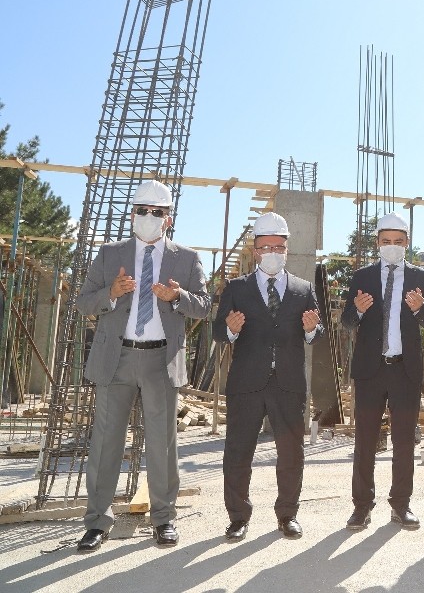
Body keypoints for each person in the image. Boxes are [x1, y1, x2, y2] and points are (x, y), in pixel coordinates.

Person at [75, 180, 211, 552]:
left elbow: (204, 306)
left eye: (157, 212)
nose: (149, 217)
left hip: (160, 359)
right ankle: (97, 522)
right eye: (142, 210)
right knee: (105, 442)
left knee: (162, 444)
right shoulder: (109, 255)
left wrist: (178, 296)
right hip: (116, 358)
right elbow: (83, 302)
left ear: (169, 219)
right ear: (132, 214)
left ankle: (163, 519)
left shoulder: (186, 258)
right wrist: (111, 293)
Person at [213, 212, 323, 541]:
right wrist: (230, 330)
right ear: (255, 250)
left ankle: (288, 515)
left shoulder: (303, 289)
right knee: (238, 452)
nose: (272, 253)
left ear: (287, 249)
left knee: (291, 453)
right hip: (246, 383)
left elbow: (316, 333)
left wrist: (311, 329)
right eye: (265, 247)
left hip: (288, 384)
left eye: (278, 247)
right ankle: (238, 517)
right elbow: (218, 332)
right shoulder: (237, 288)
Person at [340, 212, 424, 531]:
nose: (392, 246)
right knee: (365, 442)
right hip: (370, 371)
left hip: (404, 370)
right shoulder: (362, 277)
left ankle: (401, 505)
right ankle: (361, 507)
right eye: (386, 241)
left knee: (404, 442)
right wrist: (358, 310)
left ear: (406, 242)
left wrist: (418, 309)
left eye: (398, 241)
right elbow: (346, 322)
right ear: (378, 243)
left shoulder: (421, 278)